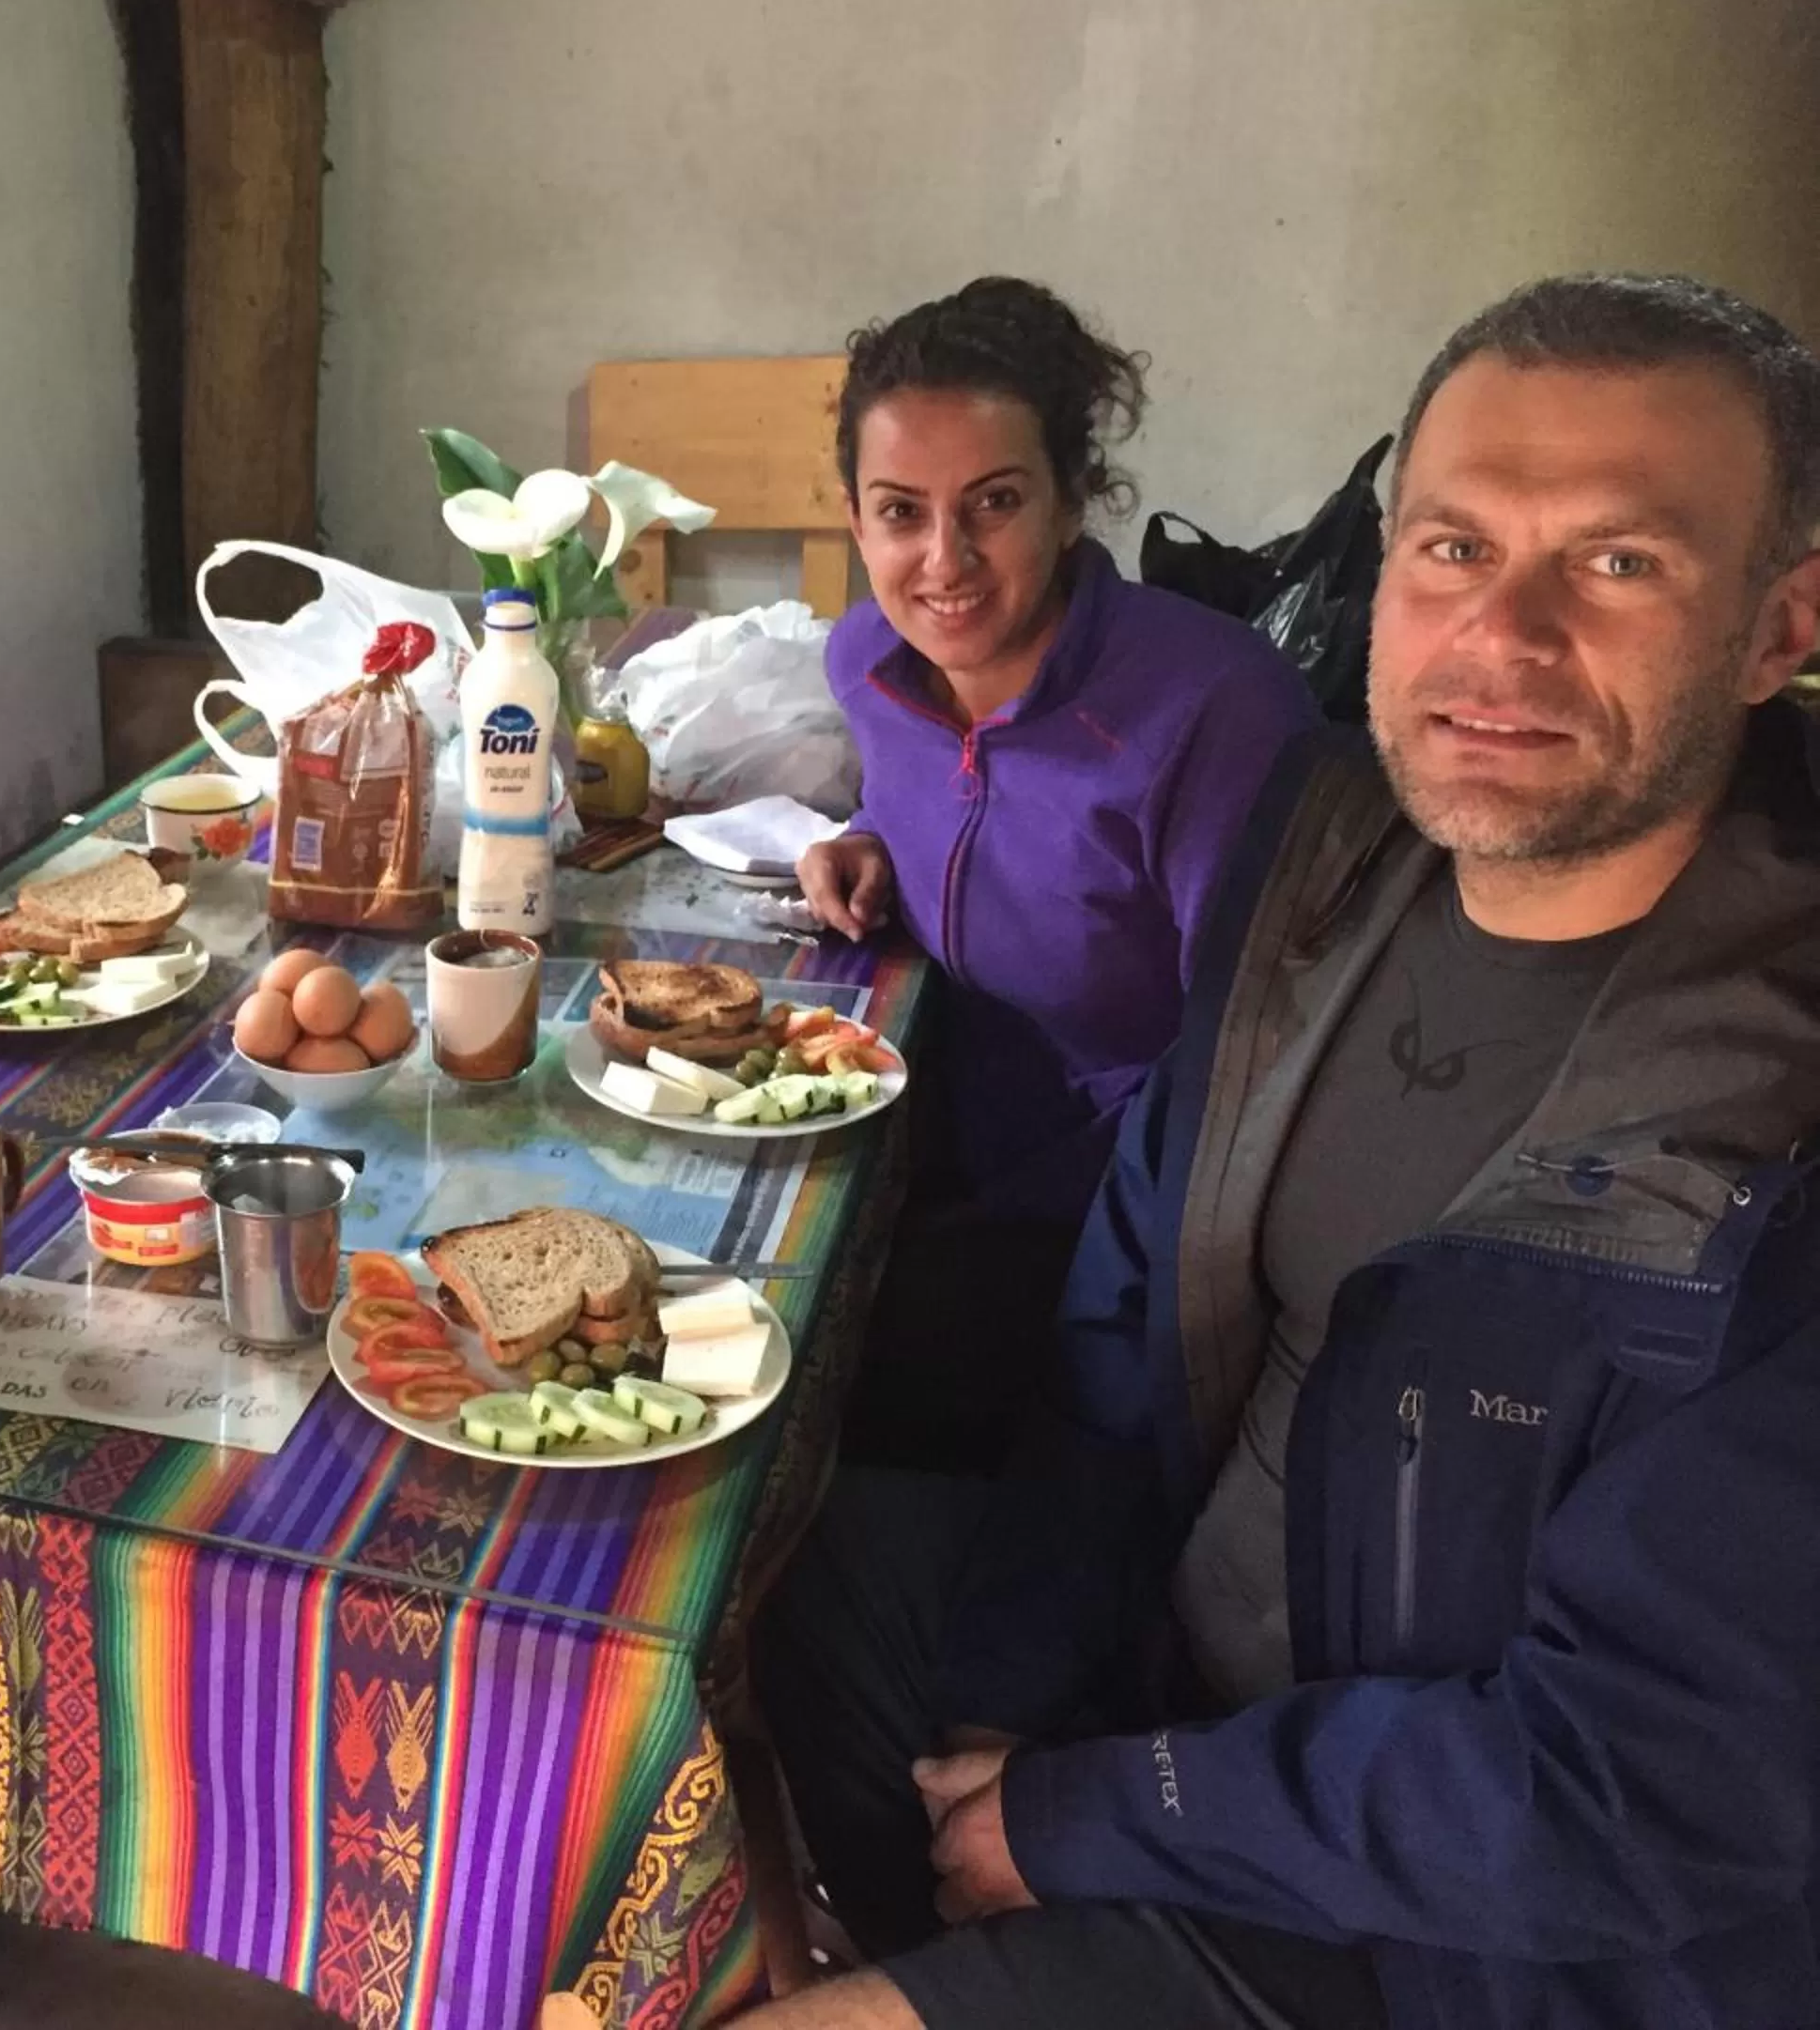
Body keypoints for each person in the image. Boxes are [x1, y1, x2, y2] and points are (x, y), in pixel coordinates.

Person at [749, 269, 1820, 2029]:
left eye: (1619, 563)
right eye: (1456, 549)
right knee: (759, 1572)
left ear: (1780, 630)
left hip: (1453, 1927)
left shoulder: (1772, 1124)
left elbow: (1626, 1793)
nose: (1509, 637)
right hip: (1200, 1687)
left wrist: (1102, 1813)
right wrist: (1008, 1725)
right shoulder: (1337, 863)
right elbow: (1122, 1343)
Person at [798, 278, 1318, 1465]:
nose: (944, 561)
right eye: (899, 512)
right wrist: (875, 840)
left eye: (994, 503)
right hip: (931, 1103)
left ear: (1074, 502)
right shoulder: (868, 659)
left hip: (1117, 1189)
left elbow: (1252, 1057)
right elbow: (939, 793)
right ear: (855, 516)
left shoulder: (1210, 712)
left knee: (838, 1382)